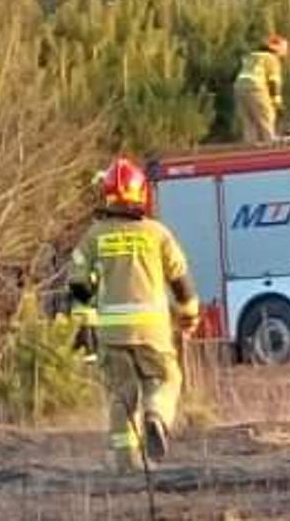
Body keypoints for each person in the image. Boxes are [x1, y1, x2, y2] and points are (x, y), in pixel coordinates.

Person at [68, 157, 201, 472]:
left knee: (121, 396)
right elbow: (181, 281)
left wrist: (84, 326)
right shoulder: (157, 234)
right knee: (166, 379)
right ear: (140, 193)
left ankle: (126, 463)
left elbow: (78, 284)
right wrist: (188, 316)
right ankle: (156, 415)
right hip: (153, 332)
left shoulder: (94, 236)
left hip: (112, 334)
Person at [232, 34, 288, 143]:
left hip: (239, 87)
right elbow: (274, 82)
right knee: (266, 117)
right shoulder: (271, 58)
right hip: (256, 87)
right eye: (284, 47)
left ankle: (251, 146)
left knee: (249, 121)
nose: (285, 51)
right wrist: (277, 101)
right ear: (275, 47)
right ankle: (269, 145)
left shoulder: (252, 55)